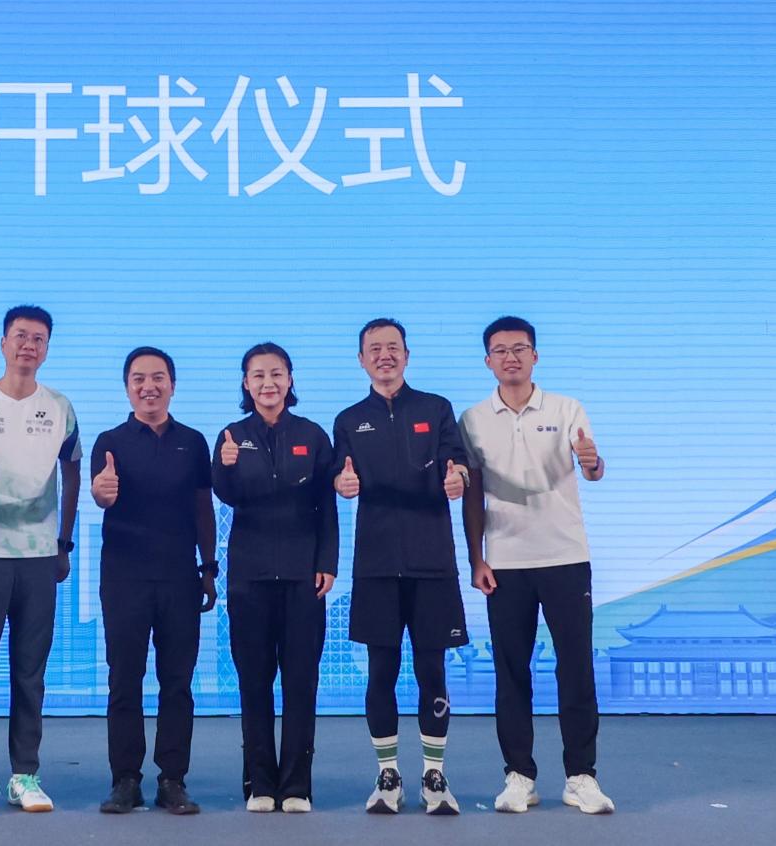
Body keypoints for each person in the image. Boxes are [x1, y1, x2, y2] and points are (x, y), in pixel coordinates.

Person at [459, 315, 614, 815]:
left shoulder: (567, 408)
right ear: (488, 360)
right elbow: (472, 495)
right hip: (505, 564)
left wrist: (591, 461)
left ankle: (581, 776)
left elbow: (592, 468)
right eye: (501, 350)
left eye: (520, 348)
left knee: (576, 668)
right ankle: (519, 776)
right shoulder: (472, 419)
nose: (511, 357)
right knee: (511, 672)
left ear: (535, 355)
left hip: (565, 557)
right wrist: (476, 557)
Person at [0, 305, 81, 815]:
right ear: (3, 343)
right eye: (20, 336)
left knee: (30, 672)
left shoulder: (60, 407)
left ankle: (25, 775)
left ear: (46, 349)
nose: (29, 345)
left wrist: (64, 542)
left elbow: (72, 472)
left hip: (39, 557)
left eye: (38, 339)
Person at [332, 318, 469, 816]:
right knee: (381, 671)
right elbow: (340, 473)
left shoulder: (435, 408)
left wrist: (458, 479)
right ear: (361, 360)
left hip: (432, 564)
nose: (384, 356)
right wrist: (343, 484)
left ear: (407, 355)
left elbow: (458, 463)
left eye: (393, 347)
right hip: (376, 564)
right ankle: (387, 774)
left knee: (432, 669)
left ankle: (435, 774)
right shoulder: (349, 420)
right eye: (374, 349)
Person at [212, 342, 337, 814]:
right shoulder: (231, 436)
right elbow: (226, 496)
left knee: (301, 682)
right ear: (246, 384)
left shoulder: (313, 435)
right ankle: (260, 783)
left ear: (290, 379)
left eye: (277, 373)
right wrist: (224, 466)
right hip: (249, 576)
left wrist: (327, 562)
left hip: (304, 576)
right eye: (259, 375)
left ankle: (297, 785)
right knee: (255, 681)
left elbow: (326, 506)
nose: (268, 383)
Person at [90, 347, 216, 815]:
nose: (149, 386)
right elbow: (102, 495)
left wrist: (209, 567)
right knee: (124, 680)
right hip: (124, 578)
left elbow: (203, 507)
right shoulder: (110, 442)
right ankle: (125, 780)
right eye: (139, 379)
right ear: (127, 388)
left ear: (172, 385)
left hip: (180, 578)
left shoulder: (193, 442)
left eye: (158, 377)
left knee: (177, 683)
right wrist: (101, 493)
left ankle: (172, 780)